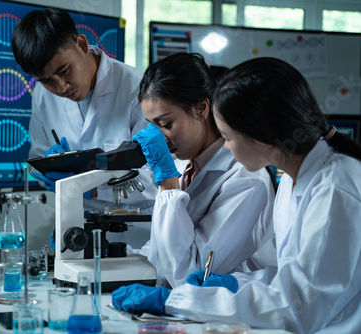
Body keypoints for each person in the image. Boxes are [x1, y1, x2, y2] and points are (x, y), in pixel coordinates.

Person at [112, 57, 361, 333]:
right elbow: (292, 277)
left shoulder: (334, 188)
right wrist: (235, 284)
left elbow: (299, 305)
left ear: (261, 135)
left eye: (228, 137)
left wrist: (178, 301)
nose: (226, 147)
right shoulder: (293, 181)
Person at [10, 8, 157, 248]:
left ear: (81, 44)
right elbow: (37, 159)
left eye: (64, 70)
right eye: (47, 80)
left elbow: (157, 178)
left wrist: (92, 188)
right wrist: (48, 171)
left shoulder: (138, 88)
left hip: (139, 236)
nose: (60, 87)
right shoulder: (42, 96)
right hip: (81, 229)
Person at [129, 53, 276, 288]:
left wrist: (168, 183)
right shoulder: (182, 163)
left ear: (201, 108)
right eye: (151, 125)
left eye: (166, 125)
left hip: (226, 313)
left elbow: (190, 275)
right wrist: (113, 258)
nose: (159, 137)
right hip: (182, 308)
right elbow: (160, 250)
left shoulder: (246, 179)